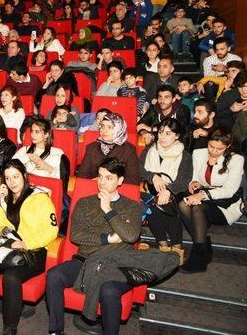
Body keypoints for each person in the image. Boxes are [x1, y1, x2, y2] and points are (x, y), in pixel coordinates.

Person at [46, 158, 142, 335]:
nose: (102, 182)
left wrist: (108, 209)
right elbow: (76, 235)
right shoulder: (85, 202)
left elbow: (130, 235)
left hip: (117, 266)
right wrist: (107, 238)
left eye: (109, 178)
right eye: (99, 177)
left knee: (109, 290)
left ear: (120, 181)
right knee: (54, 276)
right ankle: (55, 331)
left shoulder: (132, 206)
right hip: (85, 261)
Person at [0, 160, 58, 334]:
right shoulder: (3, 200)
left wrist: (26, 243)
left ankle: (9, 330)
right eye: (7, 178)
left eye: (16, 177)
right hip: (7, 250)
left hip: (34, 252)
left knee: (11, 277)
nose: (12, 182)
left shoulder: (40, 198)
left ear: (24, 176)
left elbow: (51, 230)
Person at [178, 129, 245, 273]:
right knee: (183, 205)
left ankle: (198, 258)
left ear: (227, 147)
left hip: (226, 204)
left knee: (198, 208)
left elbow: (229, 190)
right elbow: (194, 176)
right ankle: (203, 245)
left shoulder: (236, 159)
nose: (214, 151)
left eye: (219, 149)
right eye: (211, 146)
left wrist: (202, 194)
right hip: (205, 197)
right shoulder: (199, 153)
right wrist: (193, 183)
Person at [139, 118, 191, 265]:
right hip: (151, 191)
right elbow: (138, 169)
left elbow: (184, 179)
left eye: (168, 133)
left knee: (167, 203)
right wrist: (152, 176)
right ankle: (164, 246)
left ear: (177, 136)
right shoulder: (151, 149)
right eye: (161, 132)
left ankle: (176, 246)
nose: (162, 137)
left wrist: (168, 190)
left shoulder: (184, 155)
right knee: (153, 205)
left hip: (176, 192)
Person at [76, 112, 140, 184]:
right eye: (102, 126)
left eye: (110, 127)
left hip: (119, 192)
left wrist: (109, 182)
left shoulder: (129, 150)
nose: (104, 130)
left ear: (119, 129)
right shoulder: (92, 147)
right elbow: (81, 176)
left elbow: (133, 180)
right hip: (94, 189)